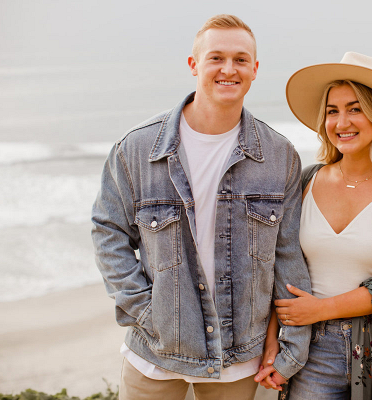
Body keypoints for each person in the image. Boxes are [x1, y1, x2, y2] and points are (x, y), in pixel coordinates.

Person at [91, 14, 311, 400]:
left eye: (241, 60)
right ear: (194, 65)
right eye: (216, 58)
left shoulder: (280, 156)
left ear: (255, 70)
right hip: (155, 355)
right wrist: (147, 313)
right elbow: (108, 233)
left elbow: (288, 255)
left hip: (241, 358)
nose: (229, 69)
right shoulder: (138, 149)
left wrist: (291, 346)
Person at [255, 52, 372, 399]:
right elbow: (282, 269)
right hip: (310, 349)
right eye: (332, 111)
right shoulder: (306, 181)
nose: (341, 122)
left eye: (355, 108)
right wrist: (274, 345)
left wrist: (320, 309)